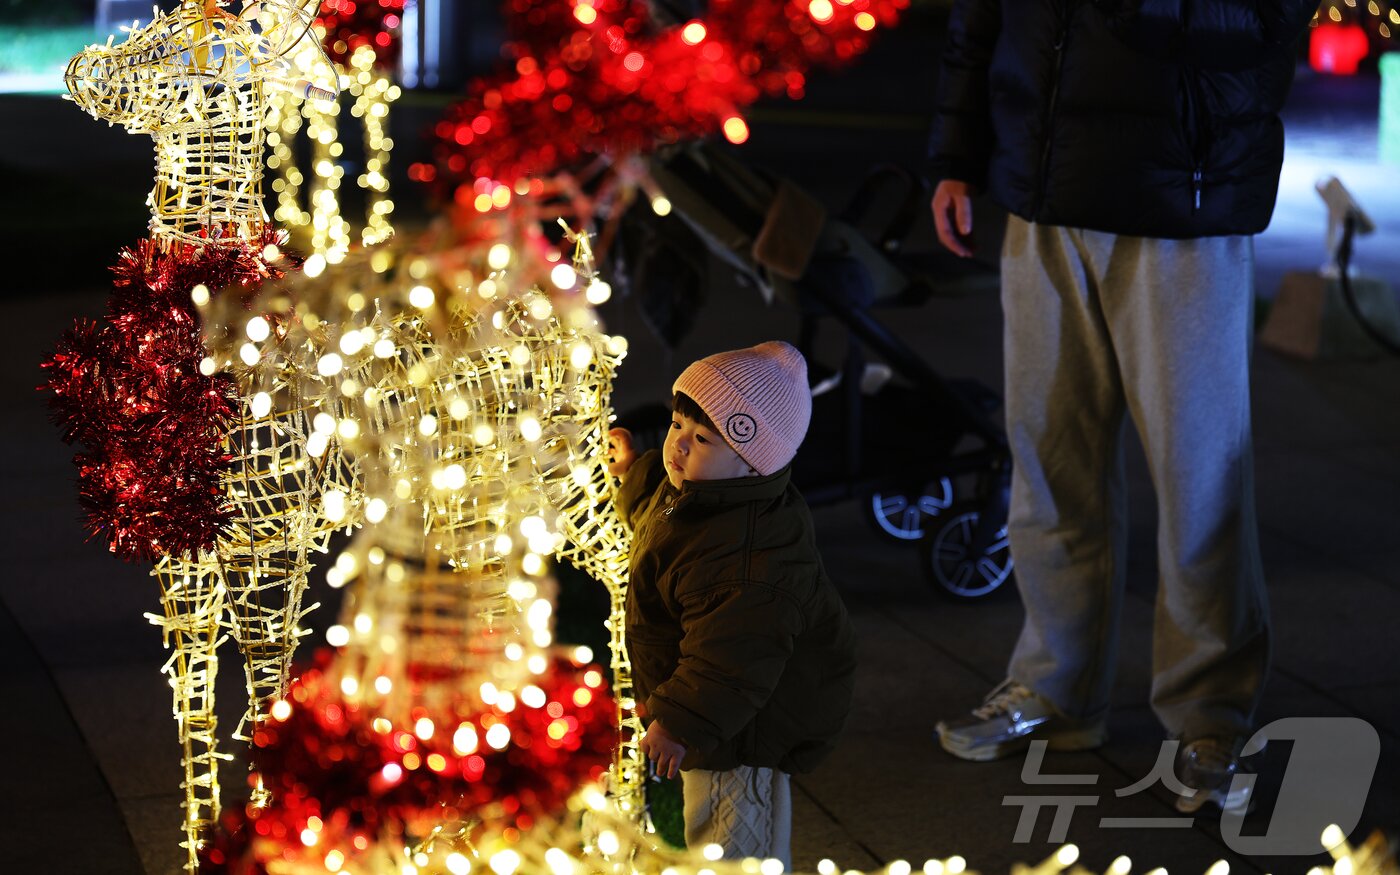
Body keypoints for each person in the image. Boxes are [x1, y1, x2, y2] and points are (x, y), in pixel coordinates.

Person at [926, 0, 1316, 814]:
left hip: (1183, 198)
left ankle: (1210, 720)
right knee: (1047, 459)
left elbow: (1262, 22)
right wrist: (956, 152)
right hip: (1043, 191)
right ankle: (1055, 690)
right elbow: (978, 17)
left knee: (1199, 472)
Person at [607, 341, 857, 866]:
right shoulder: (702, 497)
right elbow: (659, 516)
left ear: (753, 463)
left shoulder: (751, 561)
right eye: (677, 425)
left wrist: (678, 722)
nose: (677, 446)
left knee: (731, 835)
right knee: (725, 827)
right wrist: (631, 472)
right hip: (716, 719)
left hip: (740, 732)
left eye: (701, 438)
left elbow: (731, 659)